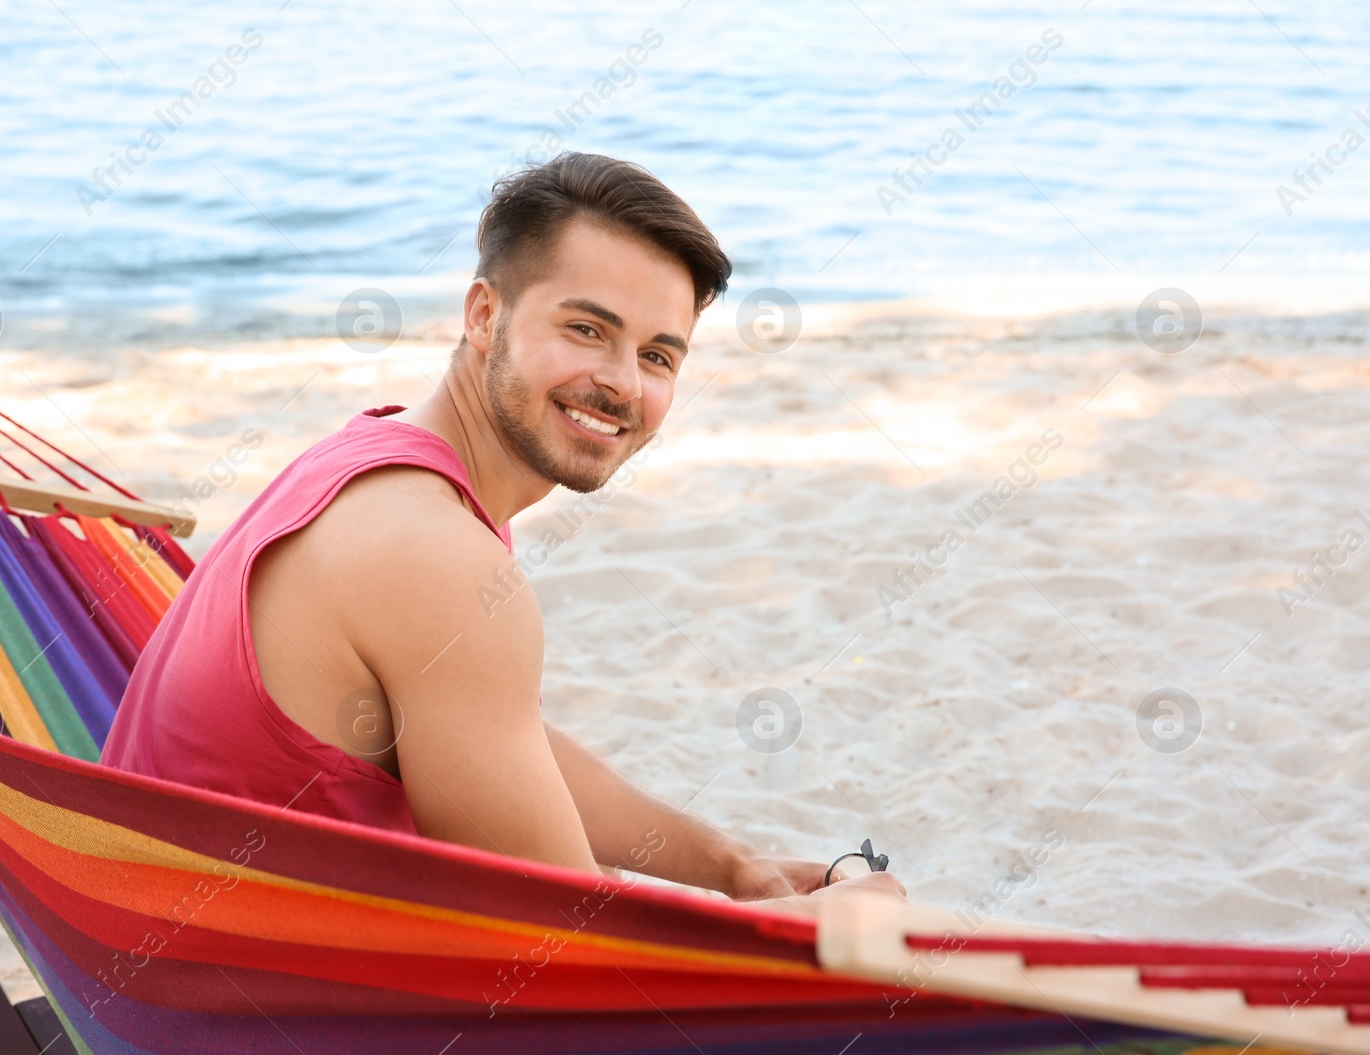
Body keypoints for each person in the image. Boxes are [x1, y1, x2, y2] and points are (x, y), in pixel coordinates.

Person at [102, 152, 902, 912]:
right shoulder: (435, 557)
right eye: (587, 329)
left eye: (658, 356)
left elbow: (491, 730)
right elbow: (572, 945)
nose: (622, 381)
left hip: (165, 970)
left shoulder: (381, 467)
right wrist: (808, 936)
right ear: (485, 315)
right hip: (242, 1008)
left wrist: (734, 867)